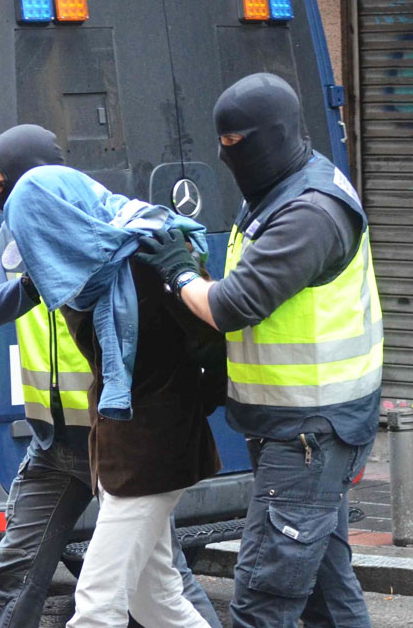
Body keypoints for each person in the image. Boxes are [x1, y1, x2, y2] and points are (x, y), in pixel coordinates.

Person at [136, 73, 382, 627]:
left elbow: (234, 304)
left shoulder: (309, 212)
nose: (229, 157)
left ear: (275, 135)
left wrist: (177, 274)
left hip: (310, 430)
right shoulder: (276, 192)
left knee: (264, 597)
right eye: (222, 144)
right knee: (326, 593)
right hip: (296, 425)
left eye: (238, 144)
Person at [0, 125, 221, 628]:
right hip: (86, 440)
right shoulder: (52, 247)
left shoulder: (134, 252)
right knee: (156, 598)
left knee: (98, 600)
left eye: (5, 186)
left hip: (146, 447)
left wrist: (209, 388)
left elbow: (208, 330)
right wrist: (38, 280)